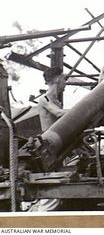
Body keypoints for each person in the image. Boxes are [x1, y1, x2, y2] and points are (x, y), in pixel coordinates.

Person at [26, 67, 66, 212]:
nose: (65, 82)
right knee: (51, 187)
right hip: (48, 146)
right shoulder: (45, 99)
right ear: (56, 79)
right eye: (63, 78)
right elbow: (59, 113)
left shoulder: (55, 99)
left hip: (57, 145)